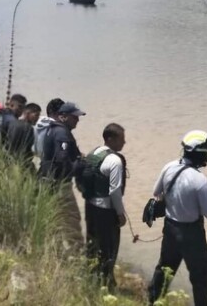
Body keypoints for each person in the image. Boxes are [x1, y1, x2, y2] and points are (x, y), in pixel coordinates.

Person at [148, 130, 207, 306]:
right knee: (201, 273)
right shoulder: (200, 180)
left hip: (171, 228)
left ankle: (153, 300)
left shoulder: (169, 167)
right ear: (196, 153)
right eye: (205, 153)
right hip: (192, 234)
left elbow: (157, 192)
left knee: (166, 267)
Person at [79, 123, 127, 290]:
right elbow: (115, 190)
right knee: (109, 248)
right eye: (122, 139)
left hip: (90, 206)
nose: (124, 142)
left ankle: (91, 277)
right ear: (111, 139)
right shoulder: (114, 160)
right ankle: (107, 283)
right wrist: (120, 214)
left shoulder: (95, 153)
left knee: (92, 243)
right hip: (106, 211)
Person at [38, 101, 86, 245]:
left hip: (48, 183)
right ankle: (76, 257)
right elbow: (62, 163)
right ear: (63, 116)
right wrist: (80, 164)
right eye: (75, 117)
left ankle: (56, 254)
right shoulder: (61, 133)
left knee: (55, 221)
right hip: (59, 185)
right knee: (72, 221)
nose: (77, 120)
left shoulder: (53, 129)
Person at [5, 102, 41, 172]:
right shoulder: (28, 128)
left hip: (9, 162)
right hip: (22, 164)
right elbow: (27, 148)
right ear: (27, 113)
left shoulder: (13, 123)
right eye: (36, 115)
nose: (37, 118)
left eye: (38, 116)